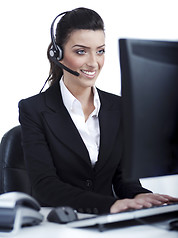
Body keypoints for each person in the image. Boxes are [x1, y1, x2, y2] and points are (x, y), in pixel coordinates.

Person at [18, 7, 178, 214]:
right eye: (81, 51)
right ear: (57, 54)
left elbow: (122, 179)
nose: (94, 62)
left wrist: (140, 195)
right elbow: (45, 185)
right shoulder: (34, 109)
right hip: (60, 223)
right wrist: (109, 204)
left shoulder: (118, 107)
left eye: (100, 51)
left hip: (107, 223)